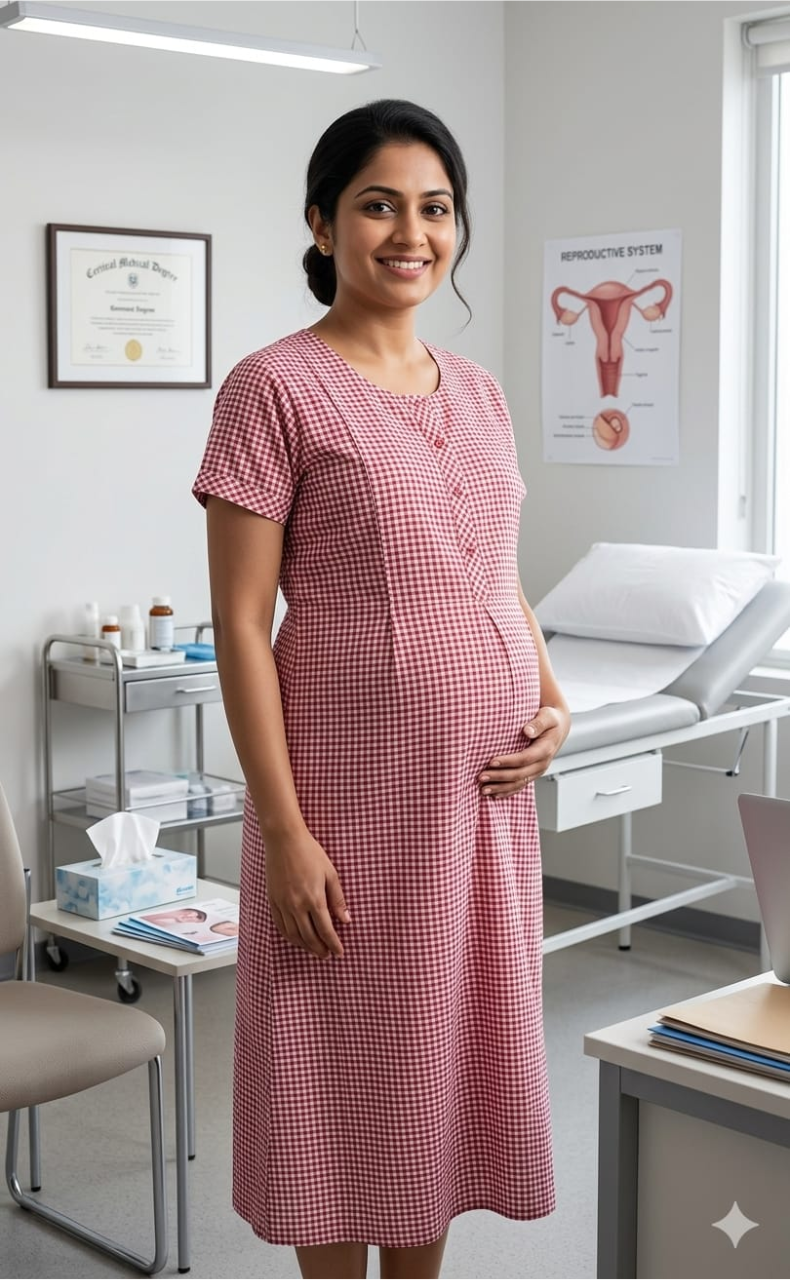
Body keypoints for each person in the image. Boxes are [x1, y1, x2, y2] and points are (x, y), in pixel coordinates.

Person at [192, 98, 570, 1280]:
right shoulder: (275, 388)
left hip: (480, 806)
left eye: (435, 207)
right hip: (348, 805)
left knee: (440, 1066)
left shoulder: (481, 390)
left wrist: (550, 694)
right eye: (378, 205)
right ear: (320, 222)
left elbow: (499, 575)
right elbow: (242, 628)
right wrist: (283, 828)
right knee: (335, 1071)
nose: (411, 232)